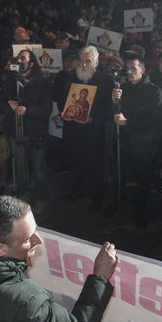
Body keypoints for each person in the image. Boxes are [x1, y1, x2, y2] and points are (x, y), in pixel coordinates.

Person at [57, 46, 113, 209]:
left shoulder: (105, 81)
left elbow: (108, 110)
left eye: (88, 61)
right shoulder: (70, 78)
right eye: (81, 61)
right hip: (73, 129)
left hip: (93, 132)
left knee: (95, 165)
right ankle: (77, 190)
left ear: (96, 63)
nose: (83, 64)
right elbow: (63, 100)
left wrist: (92, 119)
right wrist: (64, 112)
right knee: (75, 161)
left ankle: (97, 197)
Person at [112, 57, 162, 227]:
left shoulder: (154, 91)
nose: (129, 72)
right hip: (125, 141)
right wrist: (114, 101)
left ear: (142, 70)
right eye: (127, 69)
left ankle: (141, 212)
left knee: (143, 180)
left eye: (133, 68)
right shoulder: (123, 88)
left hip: (144, 143)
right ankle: (118, 204)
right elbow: (116, 113)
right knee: (121, 173)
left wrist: (128, 122)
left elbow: (154, 120)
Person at [0, 50, 53, 208]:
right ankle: (23, 195)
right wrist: (9, 105)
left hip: (35, 132)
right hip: (15, 131)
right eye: (18, 58)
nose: (19, 61)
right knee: (20, 166)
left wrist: (28, 110)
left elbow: (46, 108)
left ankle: (42, 198)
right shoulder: (9, 80)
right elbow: (0, 103)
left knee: (38, 168)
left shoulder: (42, 82)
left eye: (23, 58)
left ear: (32, 63)